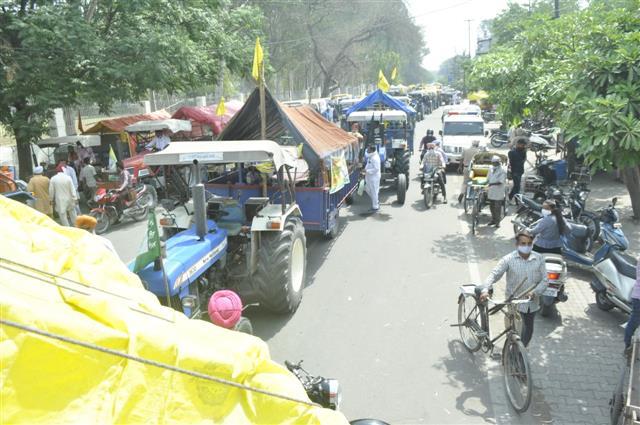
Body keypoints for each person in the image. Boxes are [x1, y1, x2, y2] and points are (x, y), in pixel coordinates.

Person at [480, 230, 548, 347]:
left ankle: (521, 352)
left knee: (528, 330)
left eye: (529, 243)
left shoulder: (539, 258)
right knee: (513, 330)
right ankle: (512, 350)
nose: (526, 246)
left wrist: (534, 292)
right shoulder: (508, 259)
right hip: (513, 303)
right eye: (523, 243)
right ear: (517, 245)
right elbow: (494, 274)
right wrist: (485, 289)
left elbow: (545, 280)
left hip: (531, 302)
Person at [624, 261, 640, 355]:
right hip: (638, 298)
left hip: (636, 296)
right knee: (634, 322)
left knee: (633, 322)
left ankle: (628, 346)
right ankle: (629, 346)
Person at [487, 155, 507, 227]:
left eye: (495, 163)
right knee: (491, 206)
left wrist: (491, 184)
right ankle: (493, 219)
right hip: (491, 191)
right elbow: (488, 178)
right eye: (493, 163)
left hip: (499, 191)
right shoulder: (491, 168)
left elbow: (500, 182)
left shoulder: (503, 170)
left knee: (497, 207)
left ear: (498, 162)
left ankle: (497, 222)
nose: (494, 164)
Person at [364, 145, 381, 212]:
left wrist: (367, 171)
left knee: (374, 192)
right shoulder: (370, 156)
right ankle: (376, 201)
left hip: (374, 178)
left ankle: (375, 207)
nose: (367, 150)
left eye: (368, 149)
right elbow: (368, 164)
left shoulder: (375, 158)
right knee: (367, 189)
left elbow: (376, 169)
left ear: (371, 150)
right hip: (369, 176)